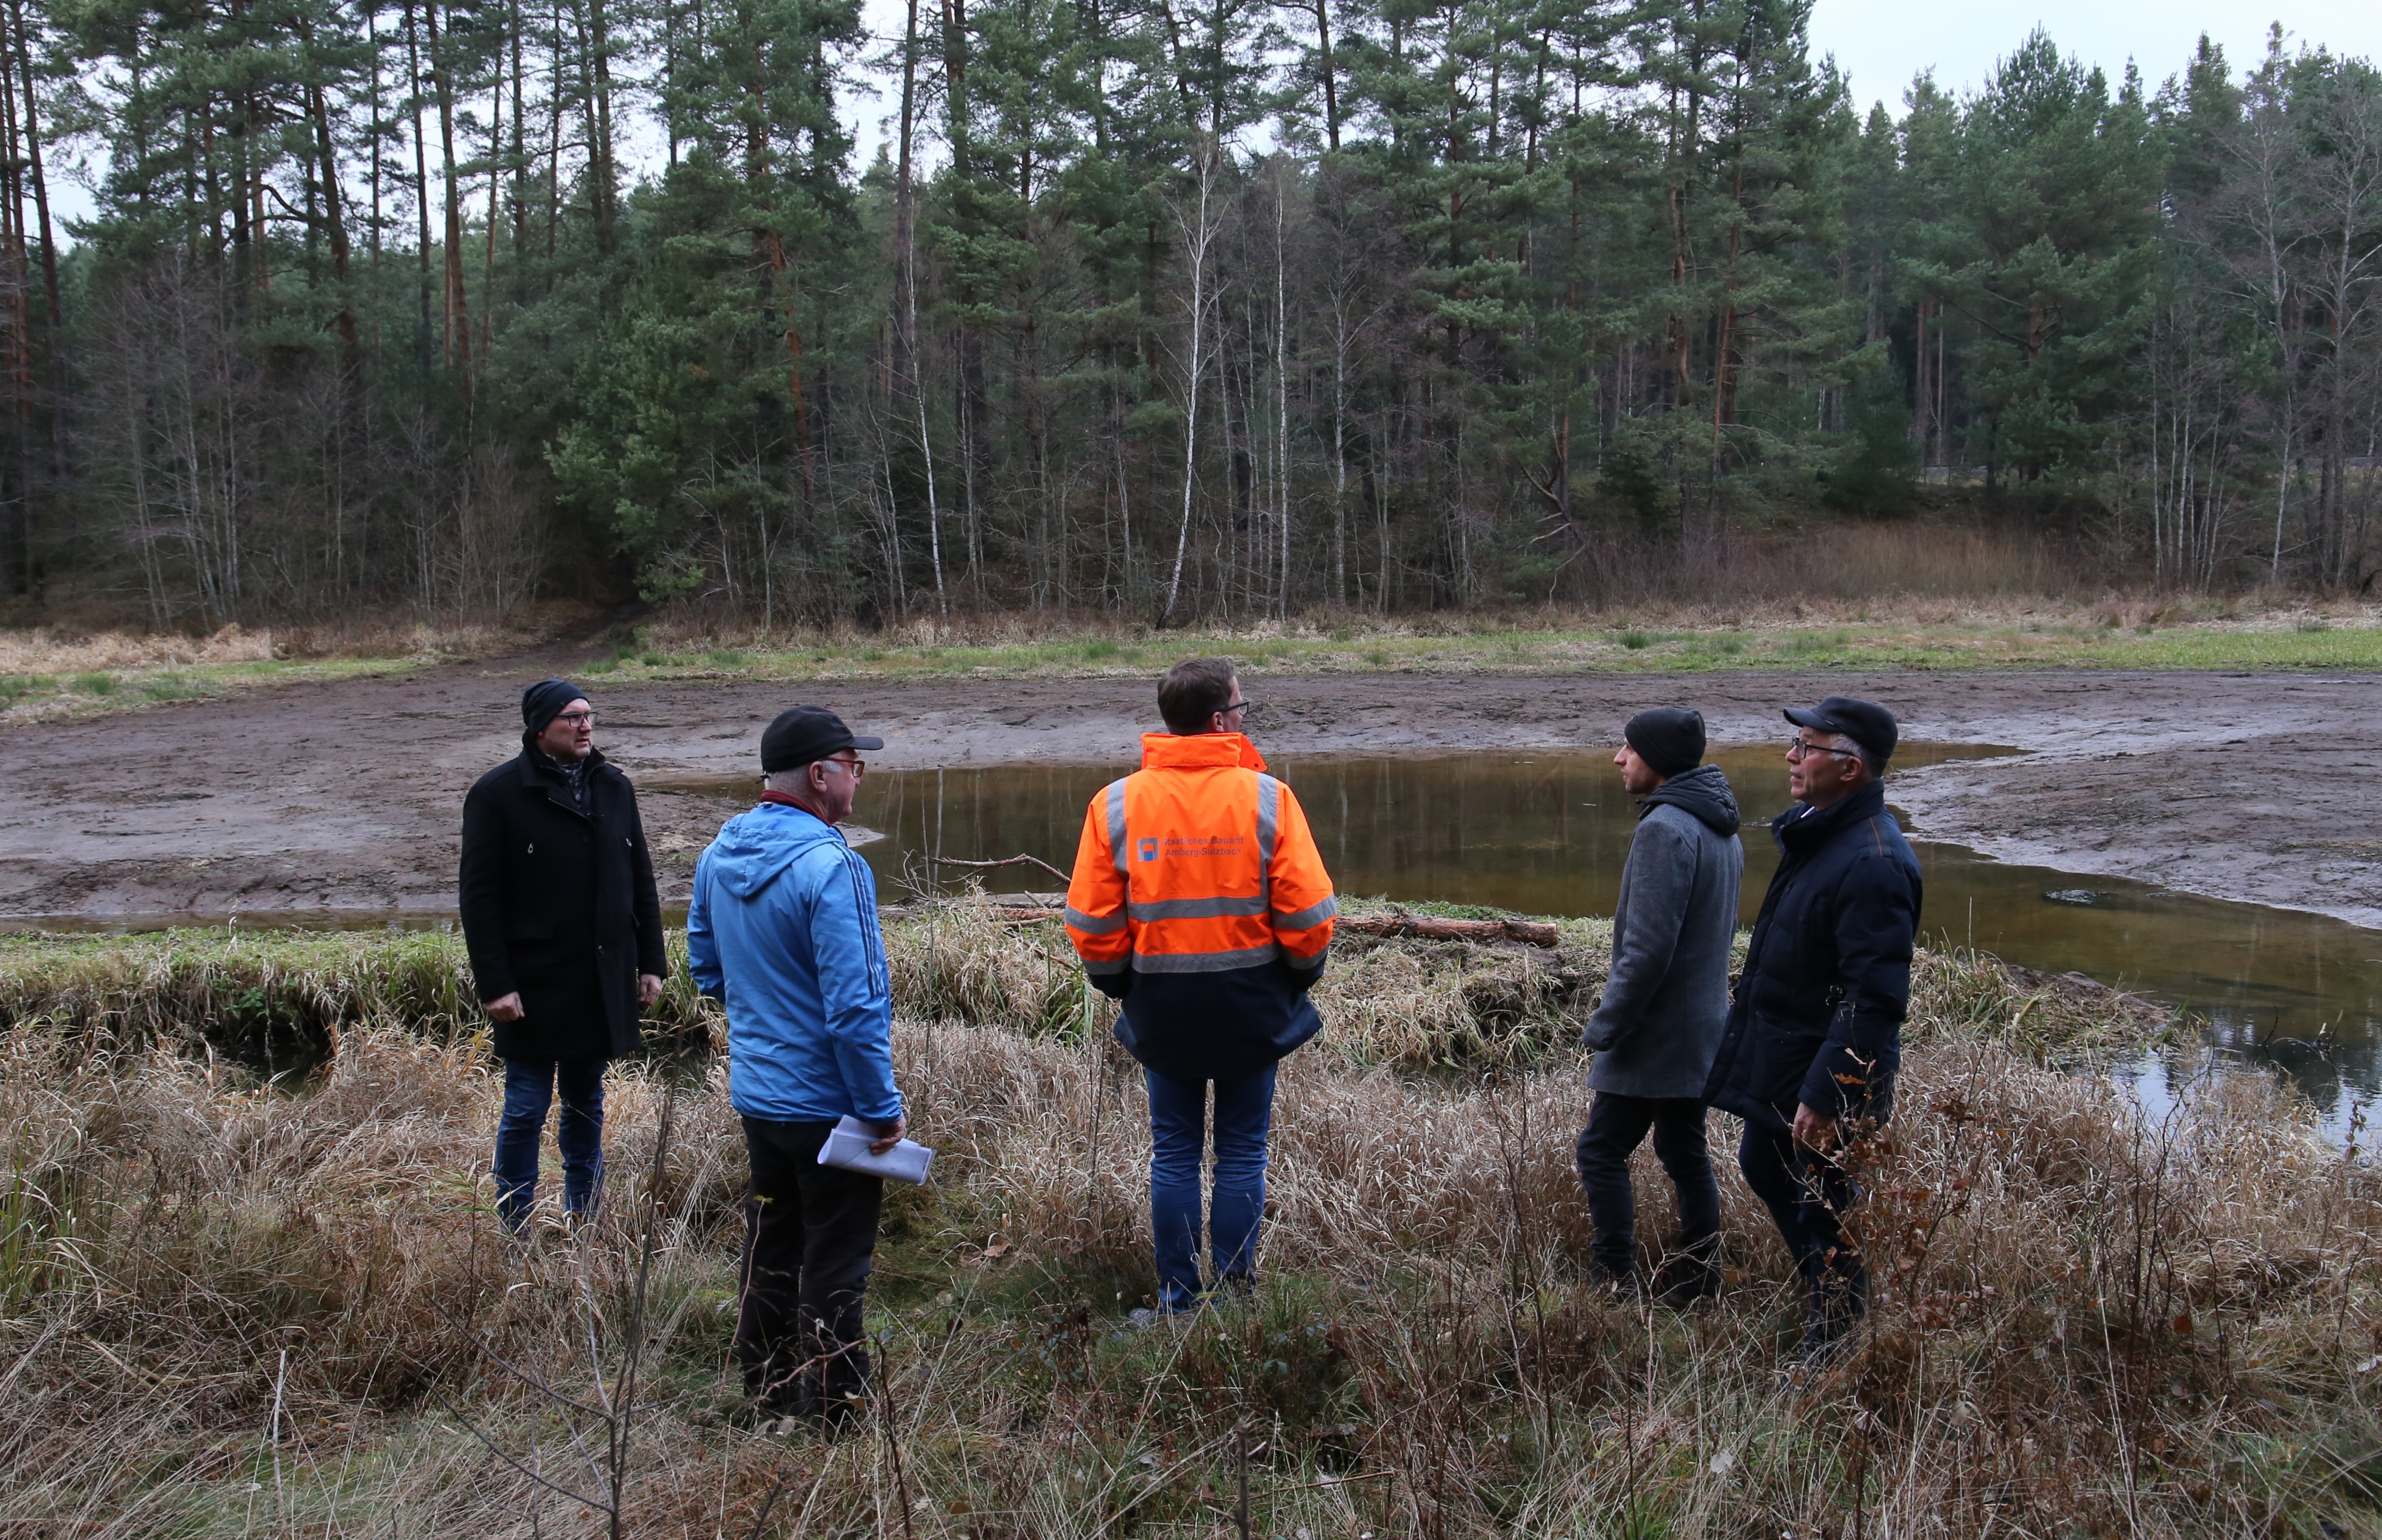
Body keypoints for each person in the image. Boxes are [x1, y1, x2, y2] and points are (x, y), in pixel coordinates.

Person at [1063, 657, 1336, 1318]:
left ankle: (1178, 1300)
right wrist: (1299, 978)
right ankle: (1237, 1300)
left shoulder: (1116, 803)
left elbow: (1091, 921)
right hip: (1252, 1004)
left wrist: (1119, 984)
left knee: (1176, 1153)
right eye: (1242, 709)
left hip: (1162, 1005)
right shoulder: (1269, 796)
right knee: (1243, 1150)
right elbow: (1309, 914)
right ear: (1220, 720)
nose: (1244, 717)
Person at [688, 706, 906, 1429]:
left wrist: (765, 1018)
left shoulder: (719, 852)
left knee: (773, 1239)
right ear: (820, 775)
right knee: (837, 1257)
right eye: (853, 763)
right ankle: (837, 1413)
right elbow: (857, 1008)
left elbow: (706, 968)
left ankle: (769, 1392)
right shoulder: (834, 865)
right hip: (829, 1107)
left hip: (759, 1098)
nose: (858, 776)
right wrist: (881, 1109)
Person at [1702, 695, 1922, 1366]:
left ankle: (1835, 1345)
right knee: (1761, 1162)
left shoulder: (1874, 862)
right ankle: (1828, 1304)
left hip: (1825, 1070)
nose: (1790, 757)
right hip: (1788, 1050)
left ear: (1849, 767)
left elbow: (1876, 998)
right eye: (1795, 744)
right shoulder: (1818, 833)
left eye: (1807, 747)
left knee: (1823, 1203)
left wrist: (1828, 1093)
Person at [458, 678, 668, 1231]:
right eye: (571, 717)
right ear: (539, 728)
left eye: (588, 715)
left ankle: (585, 1222)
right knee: (525, 1108)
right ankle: (515, 1228)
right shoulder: (496, 794)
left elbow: (639, 879)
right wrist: (495, 984)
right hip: (531, 983)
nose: (584, 726)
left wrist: (650, 962)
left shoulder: (614, 787)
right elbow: (479, 900)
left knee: (585, 1104)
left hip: (599, 978)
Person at [1575, 707, 1744, 1305]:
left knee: (1599, 1149)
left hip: (1657, 1034)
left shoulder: (1665, 828)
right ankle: (1700, 1282)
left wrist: (1605, 1026)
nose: (1618, 759)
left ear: (1656, 759)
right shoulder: (1719, 826)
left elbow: (1645, 953)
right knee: (1683, 1151)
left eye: (1628, 748)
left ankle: (1611, 1280)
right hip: (1703, 1028)